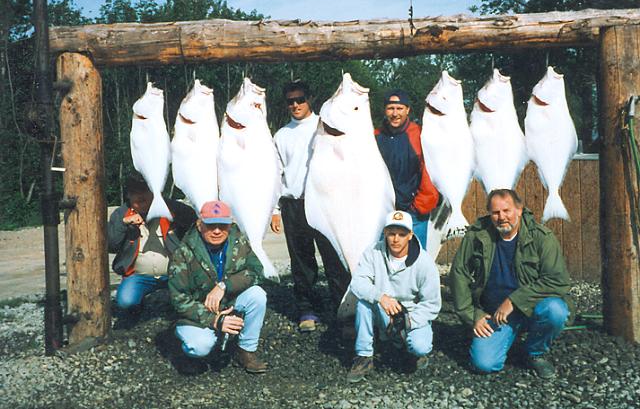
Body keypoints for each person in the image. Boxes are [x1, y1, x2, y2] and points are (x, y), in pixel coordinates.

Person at [449, 189, 572, 379]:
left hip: (531, 308)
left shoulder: (541, 237)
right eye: (496, 213)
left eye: (507, 211)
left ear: (519, 210)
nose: (501, 217)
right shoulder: (477, 235)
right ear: (489, 213)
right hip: (494, 313)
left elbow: (558, 280)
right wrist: (472, 314)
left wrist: (514, 301)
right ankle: (506, 338)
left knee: (556, 311)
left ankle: (535, 352)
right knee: (484, 364)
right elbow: (459, 273)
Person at [270, 81, 351, 332]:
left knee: (334, 258)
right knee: (301, 261)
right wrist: (274, 210)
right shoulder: (281, 135)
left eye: (300, 99)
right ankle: (307, 308)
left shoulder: (326, 128)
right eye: (290, 101)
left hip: (326, 202)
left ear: (310, 99)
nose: (295, 104)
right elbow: (276, 175)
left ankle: (344, 310)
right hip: (294, 205)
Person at [168, 200, 268, 374]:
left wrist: (224, 286)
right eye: (210, 225)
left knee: (257, 295)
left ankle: (246, 350)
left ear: (230, 225)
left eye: (222, 225)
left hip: (226, 303)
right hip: (197, 313)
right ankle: (182, 345)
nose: (216, 231)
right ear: (199, 225)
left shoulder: (238, 240)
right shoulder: (182, 253)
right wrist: (215, 320)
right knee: (199, 346)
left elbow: (256, 271)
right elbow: (179, 300)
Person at [347, 210, 441, 383]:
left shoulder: (424, 262)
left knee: (421, 346)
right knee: (363, 302)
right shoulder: (373, 252)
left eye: (402, 234)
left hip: (410, 315)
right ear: (385, 233)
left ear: (410, 235)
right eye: (391, 233)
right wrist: (381, 297)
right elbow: (357, 283)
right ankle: (364, 356)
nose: (396, 239)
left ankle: (408, 349)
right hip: (383, 308)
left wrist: (407, 320)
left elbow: (432, 304)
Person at [107, 173, 196, 324]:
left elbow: (193, 220)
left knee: (190, 298)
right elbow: (111, 245)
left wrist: (172, 213)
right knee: (125, 301)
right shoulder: (121, 213)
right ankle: (136, 311)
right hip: (139, 276)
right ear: (128, 195)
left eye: (145, 191)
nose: (140, 196)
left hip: (175, 274)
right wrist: (123, 223)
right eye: (134, 192)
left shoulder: (172, 208)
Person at [375, 89, 439, 249]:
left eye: (399, 108)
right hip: (382, 213)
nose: (395, 113)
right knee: (384, 260)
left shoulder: (420, 134)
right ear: (384, 110)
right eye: (390, 108)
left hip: (414, 213)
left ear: (408, 110)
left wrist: (419, 206)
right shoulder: (375, 136)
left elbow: (430, 172)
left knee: (415, 260)